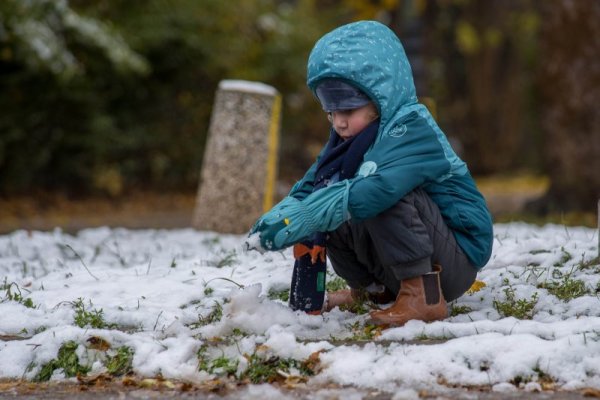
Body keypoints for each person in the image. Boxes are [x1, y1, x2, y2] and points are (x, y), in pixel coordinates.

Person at [249, 20, 493, 326]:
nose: (338, 123)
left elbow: (382, 186)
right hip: (403, 257)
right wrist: (284, 215)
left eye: (347, 110)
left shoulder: (412, 129)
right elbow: (312, 186)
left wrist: (314, 211)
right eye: (331, 112)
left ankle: (423, 296)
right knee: (332, 195)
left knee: (374, 192)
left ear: (379, 98)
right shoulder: (349, 139)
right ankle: (370, 291)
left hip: (454, 260)